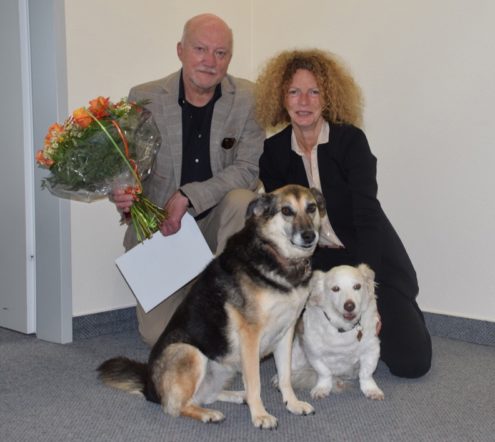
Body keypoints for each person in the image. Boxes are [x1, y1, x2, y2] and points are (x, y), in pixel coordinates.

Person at [254, 49, 431, 378]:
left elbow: (367, 217)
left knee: (412, 363)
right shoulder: (274, 151)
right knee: (270, 345)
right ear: (281, 97)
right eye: (294, 91)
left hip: (367, 255)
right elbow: (281, 230)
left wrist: (369, 294)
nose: (304, 101)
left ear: (328, 97)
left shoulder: (351, 142)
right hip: (316, 262)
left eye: (314, 91)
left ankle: (402, 310)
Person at [111, 14, 265, 346]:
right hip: (166, 231)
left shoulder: (249, 98)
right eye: (200, 49)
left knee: (242, 199)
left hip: (219, 225)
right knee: (159, 338)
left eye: (221, 53)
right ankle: (198, 295)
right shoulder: (145, 97)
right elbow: (128, 167)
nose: (210, 62)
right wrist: (122, 192)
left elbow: (248, 170)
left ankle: (229, 310)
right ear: (180, 50)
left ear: (229, 58)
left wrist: (188, 195)